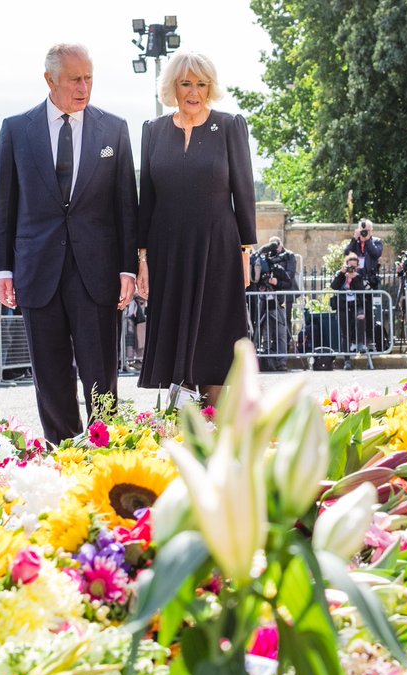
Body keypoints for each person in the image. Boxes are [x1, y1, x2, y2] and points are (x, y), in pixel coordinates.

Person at [0, 43, 139, 442]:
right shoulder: (16, 129)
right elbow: (4, 205)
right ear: (49, 80)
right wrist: (2, 269)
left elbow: (127, 204)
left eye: (89, 77)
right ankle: (63, 455)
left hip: (97, 272)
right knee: (51, 377)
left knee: (101, 376)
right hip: (37, 272)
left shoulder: (114, 129)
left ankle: (105, 453)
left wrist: (128, 267)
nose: (84, 87)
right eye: (75, 78)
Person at [135, 50, 255, 409]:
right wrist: (142, 258)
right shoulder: (153, 131)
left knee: (215, 334)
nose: (194, 91)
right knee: (175, 336)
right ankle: (180, 422)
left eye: (201, 84)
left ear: (210, 88)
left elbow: (244, 192)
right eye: (186, 83)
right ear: (173, 86)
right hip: (167, 248)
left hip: (218, 247)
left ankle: (216, 423)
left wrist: (245, 253)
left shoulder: (230, 125)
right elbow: (147, 200)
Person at [249, 235, 296, 371]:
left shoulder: (277, 268)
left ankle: (282, 363)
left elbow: (288, 282)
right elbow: (254, 282)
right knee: (265, 333)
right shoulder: (260, 265)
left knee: (281, 333)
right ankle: (266, 363)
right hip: (264, 303)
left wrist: (276, 282)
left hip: (277, 303)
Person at [343, 220, 384, 347]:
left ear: (372, 231)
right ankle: (355, 339)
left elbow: (376, 253)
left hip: (369, 282)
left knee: (369, 311)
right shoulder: (355, 242)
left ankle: (369, 339)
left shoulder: (376, 241)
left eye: (367, 230)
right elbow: (346, 253)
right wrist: (354, 240)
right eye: (362, 230)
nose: (365, 232)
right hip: (355, 281)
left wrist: (367, 240)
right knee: (355, 310)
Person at [332, 253, 369, 369]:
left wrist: (355, 278)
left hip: (356, 305)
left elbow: (361, 291)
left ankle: (360, 343)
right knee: (345, 333)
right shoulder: (340, 274)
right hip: (343, 306)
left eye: (354, 266)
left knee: (360, 318)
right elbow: (334, 286)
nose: (352, 268)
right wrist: (342, 274)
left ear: (357, 266)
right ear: (346, 265)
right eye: (350, 266)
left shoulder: (359, 276)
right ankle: (347, 360)